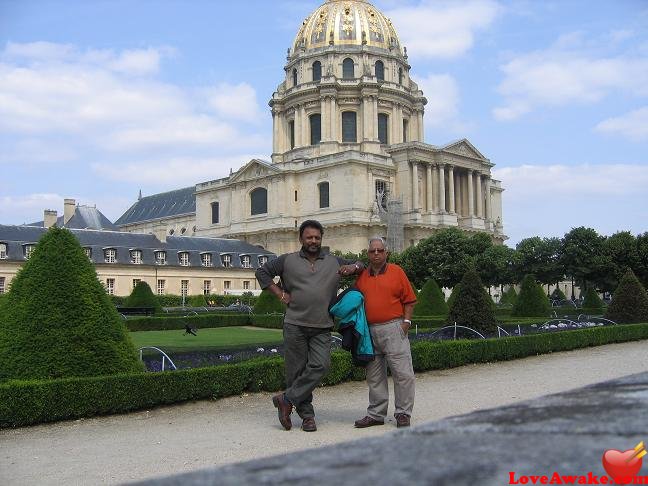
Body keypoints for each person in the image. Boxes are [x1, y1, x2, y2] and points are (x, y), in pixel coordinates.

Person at [255, 220, 364, 432]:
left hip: (323, 325)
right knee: (295, 372)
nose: (313, 241)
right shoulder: (287, 261)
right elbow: (262, 273)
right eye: (309, 237)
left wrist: (355, 266)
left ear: (321, 239)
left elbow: (362, 266)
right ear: (301, 239)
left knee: (321, 366)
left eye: (317, 237)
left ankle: (286, 399)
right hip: (295, 324)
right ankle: (307, 416)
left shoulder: (334, 262)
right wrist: (280, 294)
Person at [353, 237, 417, 428]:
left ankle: (403, 413)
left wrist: (406, 322)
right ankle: (376, 414)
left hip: (393, 327)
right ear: (368, 254)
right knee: (374, 376)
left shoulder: (397, 272)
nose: (376, 254)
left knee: (403, 373)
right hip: (370, 331)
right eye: (373, 251)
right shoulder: (362, 276)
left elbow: (409, 300)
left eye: (380, 250)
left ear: (386, 253)